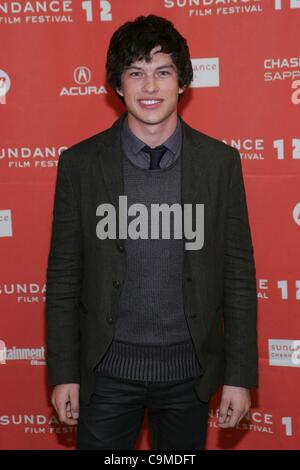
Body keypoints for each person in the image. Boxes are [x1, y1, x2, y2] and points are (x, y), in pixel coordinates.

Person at [46, 14, 258, 450]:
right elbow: (64, 277)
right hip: (105, 374)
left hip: (189, 375)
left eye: (163, 72)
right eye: (135, 73)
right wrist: (64, 372)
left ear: (182, 82)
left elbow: (238, 275)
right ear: (117, 84)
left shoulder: (220, 164)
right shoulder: (80, 165)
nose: (149, 87)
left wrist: (239, 377)